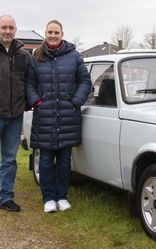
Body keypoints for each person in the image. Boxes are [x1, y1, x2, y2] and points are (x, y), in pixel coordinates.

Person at [26, 20, 91, 213]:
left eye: (56, 32)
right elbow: (29, 84)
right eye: (50, 32)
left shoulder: (74, 56)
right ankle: (48, 198)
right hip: (44, 117)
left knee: (64, 160)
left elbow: (85, 81)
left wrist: (76, 100)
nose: (53, 35)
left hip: (67, 116)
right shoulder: (36, 57)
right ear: (45, 34)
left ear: (62, 34)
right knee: (45, 161)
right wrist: (37, 101)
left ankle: (61, 197)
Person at [0, 15, 31, 212]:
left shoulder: (23, 55)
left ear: (15, 30)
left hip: (14, 116)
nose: (7, 31)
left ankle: (5, 197)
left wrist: (28, 103)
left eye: (11, 27)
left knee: (9, 159)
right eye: (4, 27)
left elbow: (31, 81)